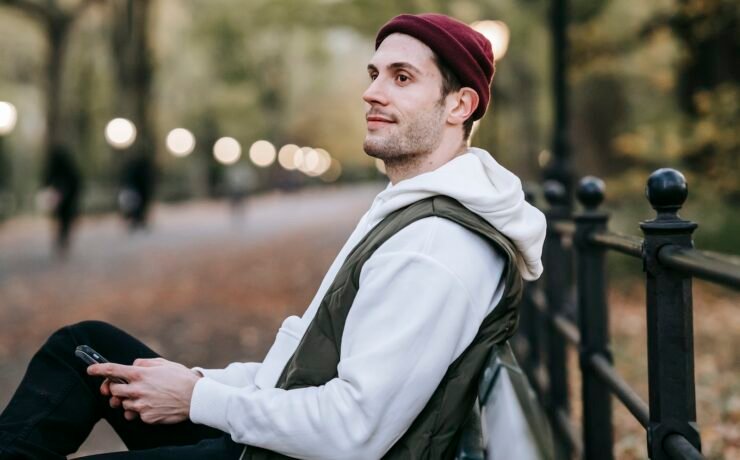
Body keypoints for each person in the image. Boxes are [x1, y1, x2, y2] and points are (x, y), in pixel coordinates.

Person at [0, 13, 546, 459]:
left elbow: (353, 430)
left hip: (283, 455)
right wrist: (197, 380)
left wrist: (196, 399)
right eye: (374, 73)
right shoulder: (414, 212)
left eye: (401, 78)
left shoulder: (435, 248)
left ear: (459, 105)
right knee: (79, 347)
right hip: (275, 438)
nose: (372, 93)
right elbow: (305, 370)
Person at [41, 144, 83, 256]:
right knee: (65, 221)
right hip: (64, 201)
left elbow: (46, 181)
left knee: (62, 220)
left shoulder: (55, 170)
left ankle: (62, 238)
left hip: (62, 201)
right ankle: (62, 238)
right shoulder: (69, 169)